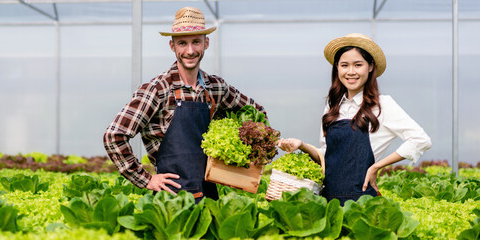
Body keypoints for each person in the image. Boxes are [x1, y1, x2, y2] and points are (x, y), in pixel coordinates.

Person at [103, 7, 267, 202]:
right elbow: (114, 135)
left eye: (196, 42)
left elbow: (256, 113)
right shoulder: (157, 89)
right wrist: (145, 179)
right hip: (173, 201)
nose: (190, 51)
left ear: (206, 43)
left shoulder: (216, 87)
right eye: (182, 43)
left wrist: (245, 156)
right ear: (172, 47)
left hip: (210, 198)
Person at [277, 33, 431, 203]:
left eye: (358, 65)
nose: (351, 72)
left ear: (370, 67)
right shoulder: (332, 106)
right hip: (328, 201)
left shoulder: (382, 105)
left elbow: (421, 140)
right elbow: (327, 155)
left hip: (362, 204)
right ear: (337, 68)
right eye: (344, 65)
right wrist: (303, 145)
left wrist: (376, 166)